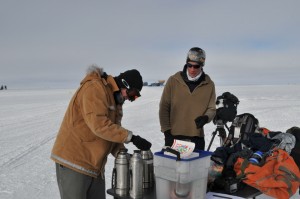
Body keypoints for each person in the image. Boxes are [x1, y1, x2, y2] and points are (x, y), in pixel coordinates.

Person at [51, 64, 151, 199]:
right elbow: (99, 126)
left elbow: (111, 133)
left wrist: (124, 155)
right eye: (132, 94)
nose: (130, 99)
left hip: (94, 167)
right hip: (74, 162)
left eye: (135, 97)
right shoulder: (95, 88)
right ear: (124, 84)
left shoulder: (115, 102)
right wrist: (132, 138)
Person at [159, 47, 216, 150]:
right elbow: (164, 108)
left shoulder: (209, 84)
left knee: (197, 166)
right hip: (173, 137)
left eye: (196, 66)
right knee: (173, 166)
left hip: (197, 138)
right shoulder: (173, 81)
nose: (192, 69)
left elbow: (211, 108)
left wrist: (206, 117)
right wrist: (167, 133)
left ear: (202, 66)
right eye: (189, 65)